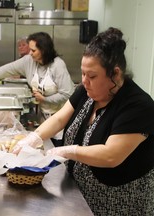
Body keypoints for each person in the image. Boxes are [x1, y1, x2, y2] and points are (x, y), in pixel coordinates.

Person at [13, 27, 154, 215]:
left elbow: (111, 155)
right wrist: (34, 138)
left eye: (92, 76)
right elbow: (59, 118)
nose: (85, 81)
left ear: (116, 74)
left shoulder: (138, 106)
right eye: (83, 74)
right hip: (80, 195)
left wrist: (69, 150)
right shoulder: (87, 91)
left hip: (119, 203)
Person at [0, 32, 75, 146]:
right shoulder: (29, 61)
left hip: (61, 120)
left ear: (43, 50)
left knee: (57, 149)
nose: (30, 53)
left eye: (33, 51)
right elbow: (8, 69)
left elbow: (68, 94)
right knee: (46, 147)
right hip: (43, 118)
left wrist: (45, 99)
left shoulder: (58, 65)